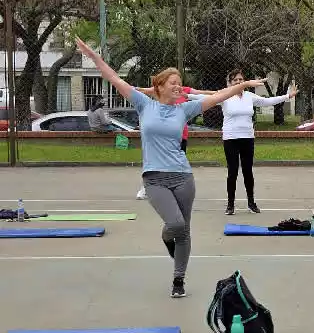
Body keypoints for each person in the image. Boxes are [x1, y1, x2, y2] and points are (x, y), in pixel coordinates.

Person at [75, 37, 268, 297]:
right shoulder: (144, 104)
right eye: (173, 83)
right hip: (154, 179)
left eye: (180, 83)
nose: (179, 87)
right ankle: (167, 239)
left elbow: (220, 95)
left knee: (185, 230)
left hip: (183, 177)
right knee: (175, 225)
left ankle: (179, 280)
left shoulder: (185, 110)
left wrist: (243, 85)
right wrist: (94, 57)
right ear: (160, 86)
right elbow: (114, 79)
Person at [188, 69, 297, 215]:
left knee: (248, 171)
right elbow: (204, 98)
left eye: (241, 80)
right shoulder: (225, 96)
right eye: (235, 80)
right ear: (230, 83)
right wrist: (185, 95)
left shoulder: (249, 96)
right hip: (230, 138)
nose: (239, 82)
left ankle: (251, 203)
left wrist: (288, 96)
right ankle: (230, 205)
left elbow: (267, 101)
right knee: (232, 172)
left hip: (247, 138)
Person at [134, 84, 215, 200]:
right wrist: (136, 89)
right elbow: (145, 91)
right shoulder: (163, 91)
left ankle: (174, 188)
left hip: (180, 135)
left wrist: (218, 93)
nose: (175, 84)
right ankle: (146, 187)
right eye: (172, 82)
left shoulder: (185, 91)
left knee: (177, 164)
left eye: (177, 81)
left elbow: (199, 93)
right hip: (162, 135)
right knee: (154, 162)